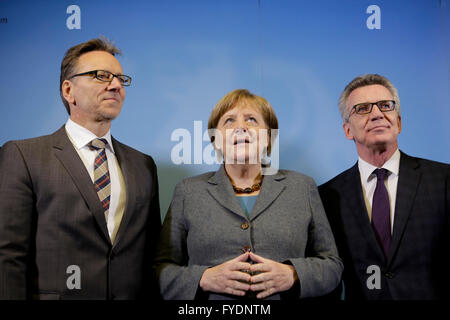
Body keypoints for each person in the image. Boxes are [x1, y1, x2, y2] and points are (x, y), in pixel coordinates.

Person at [0, 38, 161, 299]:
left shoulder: (143, 165)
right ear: (68, 90)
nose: (116, 85)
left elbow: (152, 254)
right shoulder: (23, 156)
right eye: (101, 76)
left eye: (121, 79)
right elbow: (8, 256)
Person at [154, 89, 343, 300]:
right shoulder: (188, 191)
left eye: (252, 120)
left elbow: (332, 266)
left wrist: (293, 273)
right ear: (216, 140)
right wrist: (203, 277)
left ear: (268, 137)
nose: (241, 127)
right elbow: (161, 270)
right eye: (229, 121)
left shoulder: (302, 187)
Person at [318, 74, 450, 300]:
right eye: (362, 108)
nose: (377, 114)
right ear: (347, 130)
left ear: (398, 122)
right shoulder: (328, 196)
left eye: (385, 106)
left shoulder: (443, 179)